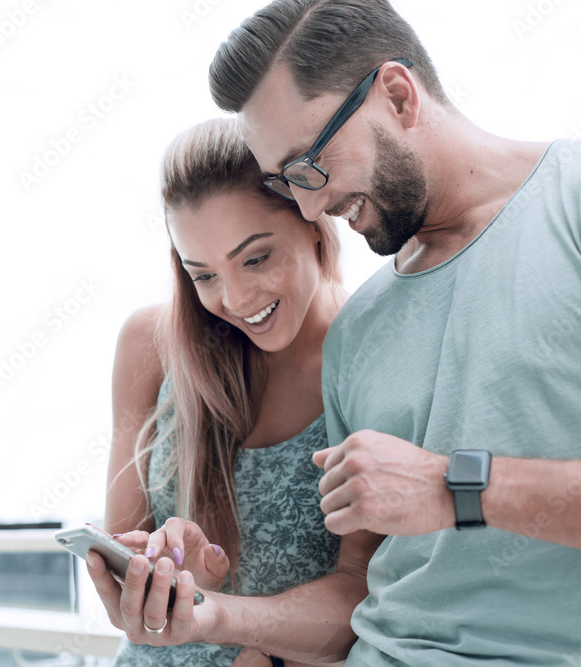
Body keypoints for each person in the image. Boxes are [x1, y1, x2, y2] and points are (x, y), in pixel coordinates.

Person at [204, 0, 581, 664]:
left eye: (309, 166)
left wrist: (455, 486)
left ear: (398, 96)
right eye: (286, 184)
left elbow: (439, 489)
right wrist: (212, 618)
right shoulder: (355, 335)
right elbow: (357, 587)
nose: (312, 206)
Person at [87, 117, 380, 665]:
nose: (237, 298)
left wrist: (246, 635)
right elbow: (126, 583)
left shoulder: (373, 358)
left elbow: (362, 597)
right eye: (204, 275)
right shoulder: (148, 345)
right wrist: (163, 577)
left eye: (256, 257)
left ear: (313, 222)